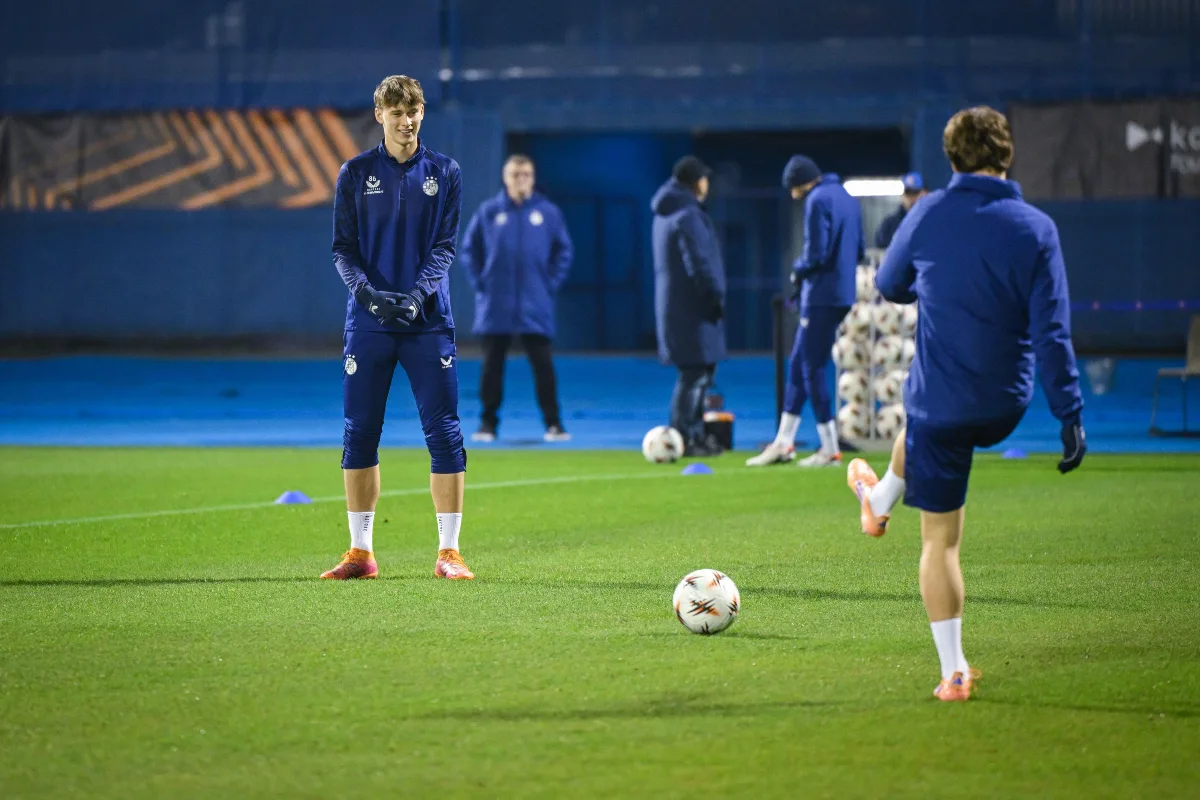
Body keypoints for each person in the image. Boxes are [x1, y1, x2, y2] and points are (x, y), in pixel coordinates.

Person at [846, 105, 1086, 701]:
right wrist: (1070, 413)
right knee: (921, 433)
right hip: (1006, 403)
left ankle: (954, 672)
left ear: (951, 158)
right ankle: (876, 500)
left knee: (940, 539)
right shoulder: (1036, 228)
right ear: (1007, 156)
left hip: (943, 405)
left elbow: (890, 285)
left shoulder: (927, 213)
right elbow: (1052, 332)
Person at [323, 74, 474, 581]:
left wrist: (415, 296)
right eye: (396, 112)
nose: (406, 121)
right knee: (359, 433)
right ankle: (360, 553)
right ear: (379, 115)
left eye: (413, 111)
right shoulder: (355, 172)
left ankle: (449, 553)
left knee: (445, 433)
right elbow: (343, 249)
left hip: (428, 322)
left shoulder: (445, 172)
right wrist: (369, 297)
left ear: (422, 114)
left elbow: (444, 248)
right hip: (368, 325)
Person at [747, 155, 863, 468]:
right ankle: (784, 442)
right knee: (799, 363)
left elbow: (816, 253)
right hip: (843, 294)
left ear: (799, 183)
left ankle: (830, 448)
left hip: (821, 295)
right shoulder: (848, 198)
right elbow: (860, 249)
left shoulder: (817, 199)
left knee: (811, 367)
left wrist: (797, 271)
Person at [460, 155, 574, 443]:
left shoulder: (548, 213)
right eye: (515, 174)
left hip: (535, 306)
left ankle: (554, 424)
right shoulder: (489, 212)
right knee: (491, 368)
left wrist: (549, 283)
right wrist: (481, 283)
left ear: (533, 178)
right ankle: (487, 424)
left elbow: (564, 251)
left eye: (526, 174)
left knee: (544, 367)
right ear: (505, 177)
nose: (521, 179)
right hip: (496, 305)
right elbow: (469, 250)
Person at [650, 155, 727, 457]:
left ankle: (689, 434)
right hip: (692, 307)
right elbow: (699, 263)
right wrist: (713, 297)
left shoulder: (665, 214)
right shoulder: (687, 215)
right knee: (695, 373)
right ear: (697, 182)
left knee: (694, 372)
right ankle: (685, 436)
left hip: (675, 306)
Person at [874, 172, 928, 250]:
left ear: (925, 193)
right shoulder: (890, 225)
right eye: (908, 193)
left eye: (915, 193)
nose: (911, 198)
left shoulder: (933, 221)